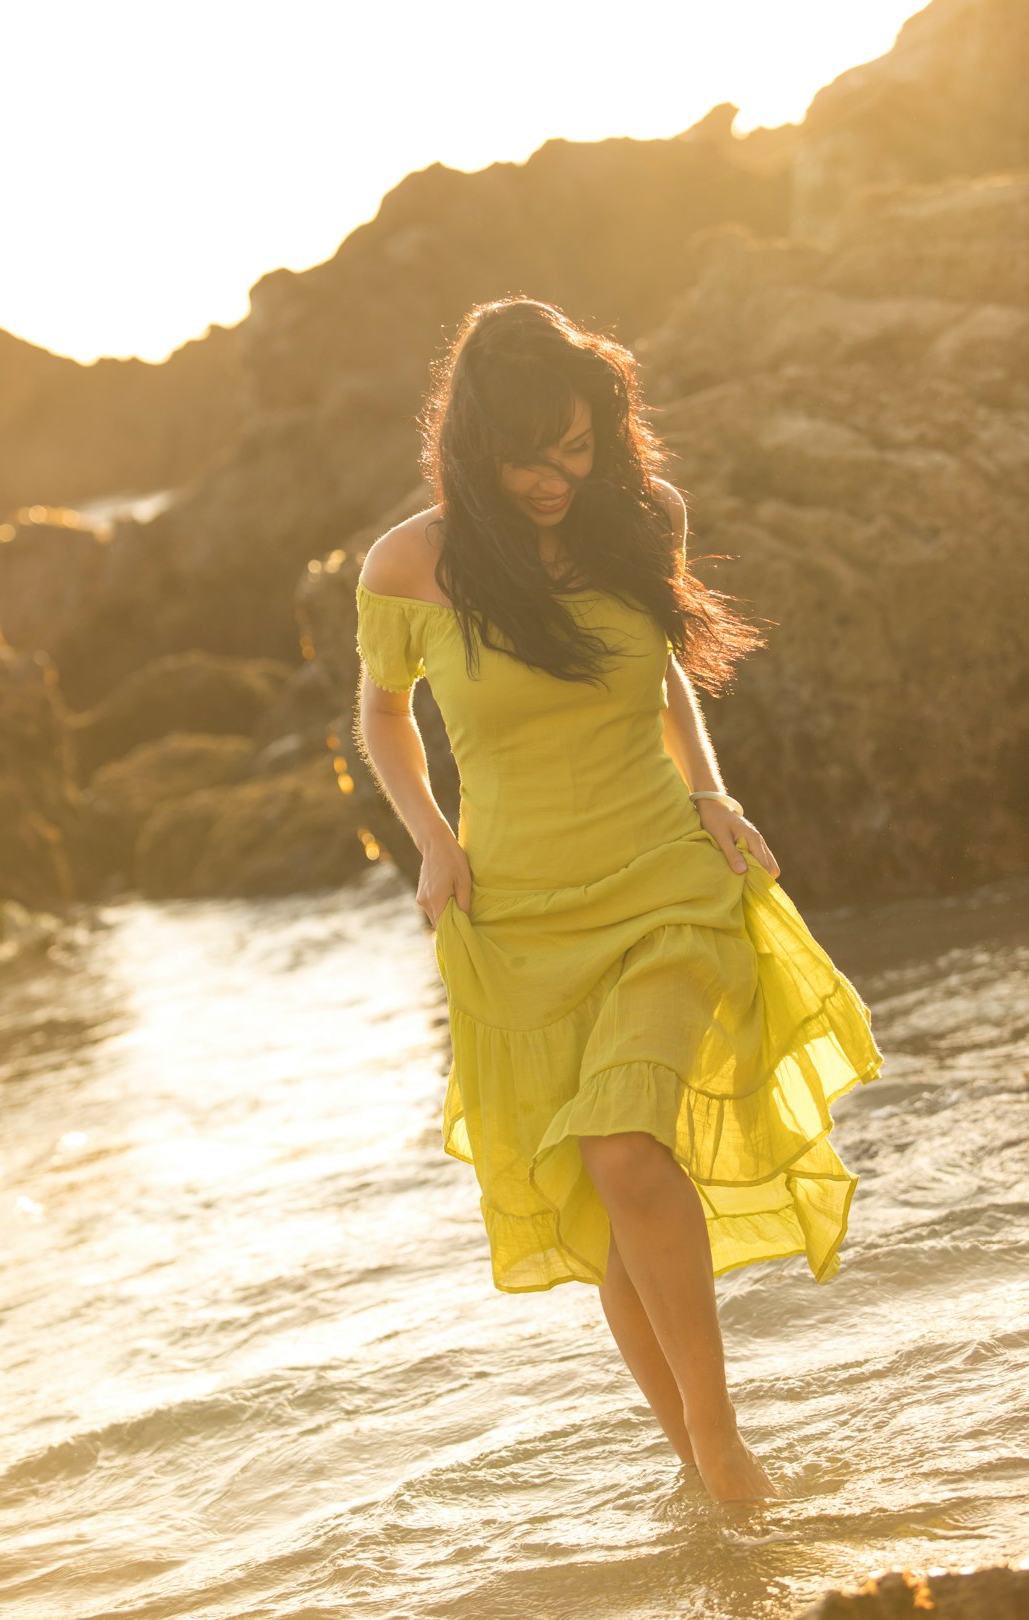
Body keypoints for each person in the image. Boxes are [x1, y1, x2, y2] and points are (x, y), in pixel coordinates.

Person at [353, 296, 884, 1504]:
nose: (556, 477)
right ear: (473, 439)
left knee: (624, 1151)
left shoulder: (645, 521)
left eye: (579, 447)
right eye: (529, 453)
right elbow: (386, 715)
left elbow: (659, 676)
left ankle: (726, 1449)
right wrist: (433, 840)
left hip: (663, 885)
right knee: (607, 1199)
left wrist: (713, 791)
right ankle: (702, 1466)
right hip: (520, 915)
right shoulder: (413, 564)